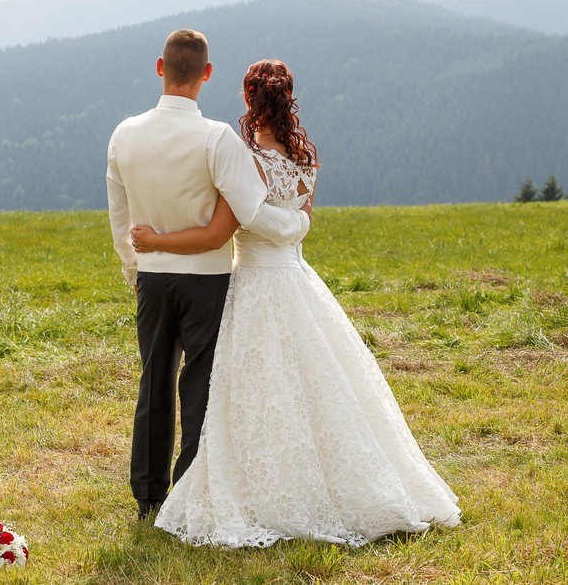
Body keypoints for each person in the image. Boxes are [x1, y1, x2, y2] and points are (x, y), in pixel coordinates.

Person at [130, 59, 461, 547]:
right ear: (288, 99)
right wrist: (294, 227)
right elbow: (302, 220)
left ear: (249, 100)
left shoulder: (243, 160)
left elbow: (224, 229)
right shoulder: (305, 159)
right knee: (318, 384)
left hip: (254, 285)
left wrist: (156, 240)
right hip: (296, 280)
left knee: (252, 390)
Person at [106, 30, 312, 520]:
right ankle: (190, 490)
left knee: (153, 381)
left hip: (152, 277)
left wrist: (135, 268)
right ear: (207, 73)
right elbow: (249, 209)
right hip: (207, 280)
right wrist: (299, 221)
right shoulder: (217, 137)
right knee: (199, 384)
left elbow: (119, 215)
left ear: (160, 67)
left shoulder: (123, 134)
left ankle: (148, 494)